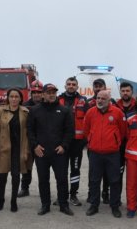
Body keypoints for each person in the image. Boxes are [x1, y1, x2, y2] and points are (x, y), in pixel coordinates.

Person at [27, 83, 75, 216]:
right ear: (43, 94)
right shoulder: (34, 110)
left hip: (59, 152)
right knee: (43, 180)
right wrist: (35, 146)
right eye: (48, 92)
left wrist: (64, 146)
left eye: (53, 92)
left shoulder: (64, 110)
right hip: (41, 152)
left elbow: (69, 131)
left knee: (62, 180)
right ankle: (45, 205)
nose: (51, 95)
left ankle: (64, 205)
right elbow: (30, 130)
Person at [84, 90, 127, 218]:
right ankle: (94, 205)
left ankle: (115, 206)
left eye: (103, 98)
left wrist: (114, 142)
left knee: (114, 180)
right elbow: (86, 130)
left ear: (109, 100)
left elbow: (123, 131)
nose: (100, 100)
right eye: (98, 98)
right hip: (95, 153)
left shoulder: (118, 112)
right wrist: (92, 140)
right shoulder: (90, 112)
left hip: (112, 154)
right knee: (94, 180)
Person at [0, 88, 30, 212]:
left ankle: (14, 201)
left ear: (20, 99)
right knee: (2, 175)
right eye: (11, 96)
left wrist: (26, 150)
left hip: (18, 149)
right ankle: (1, 200)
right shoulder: (1, 110)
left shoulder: (25, 112)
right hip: (4, 148)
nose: (14, 99)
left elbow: (27, 133)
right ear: (8, 98)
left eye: (16, 97)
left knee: (16, 176)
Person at [58, 76, 88, 206]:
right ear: (65, 86)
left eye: (73, 84)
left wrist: (85, 140)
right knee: (61, 170)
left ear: (77, 87)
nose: (71, 86)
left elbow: (88, 121)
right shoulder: (58, 100)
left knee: (75, 169)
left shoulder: (83, 101)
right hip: (61, 143)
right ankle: (62, 195)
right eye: (69, 84)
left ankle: (73, 195)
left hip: (77, 143)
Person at [18, 79, 44, 197]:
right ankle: (25, 188)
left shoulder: (46, 105)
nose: (36, 95)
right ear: (31, 93)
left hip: (42, 141)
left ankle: (44, 190)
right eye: (34, 92)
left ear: (42, 93)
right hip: (28, 141)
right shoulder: (24, 106)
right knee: (26, 166)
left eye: (39, 92)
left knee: (42, 167)